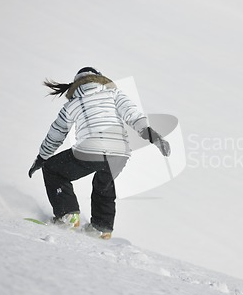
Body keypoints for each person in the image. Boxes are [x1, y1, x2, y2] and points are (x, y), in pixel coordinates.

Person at [28, 67, 170, 239]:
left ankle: (68, 216)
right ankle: (101, 227)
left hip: (90, 150)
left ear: (76, 84)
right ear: (100, 79)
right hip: (120, 153)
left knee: (53, 169)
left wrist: (42, 158)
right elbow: (133, 116)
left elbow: (56, 134)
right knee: (104, 184)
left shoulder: (73, 103)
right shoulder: (114, 94)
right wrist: (152, 136)